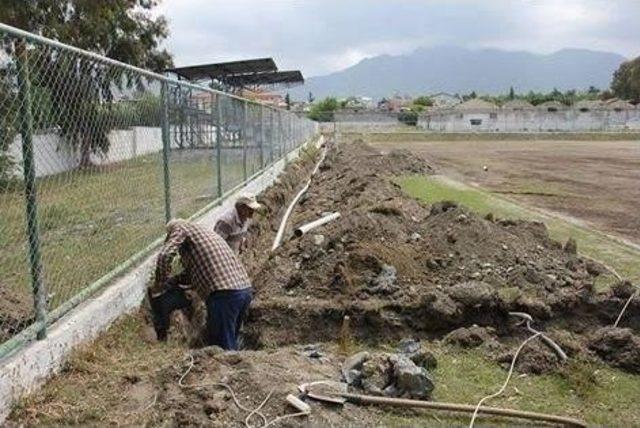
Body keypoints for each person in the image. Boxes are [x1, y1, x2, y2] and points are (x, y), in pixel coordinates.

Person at [148, 219, 252, 350]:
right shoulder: (203, 236)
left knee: (222, 349)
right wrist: (173, 280)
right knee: (230, 342)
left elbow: (164, 255)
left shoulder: (180, 228)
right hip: (243, 290)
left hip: (224, 295)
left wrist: (160, 283)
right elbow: (193, 275)